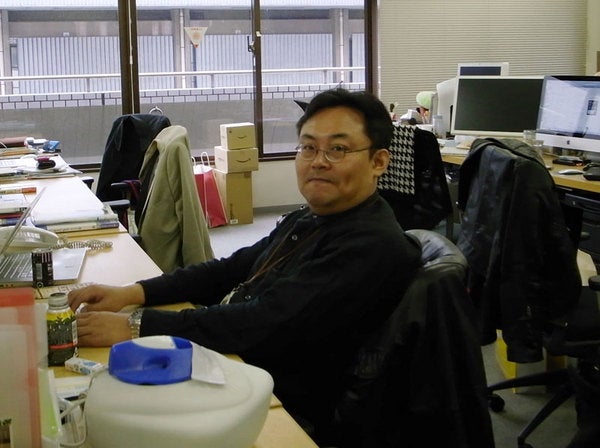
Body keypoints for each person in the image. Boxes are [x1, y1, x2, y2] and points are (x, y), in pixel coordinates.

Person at [68, 88, 422, 442]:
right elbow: (231, 269)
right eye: (308, 147)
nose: (318, 161)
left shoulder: (370, 244)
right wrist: (133, 292)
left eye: (338, 149)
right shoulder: (312, 217)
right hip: (234, 361)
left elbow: (263, 321)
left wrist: (135, 326)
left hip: (277, 402)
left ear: (379, 161)